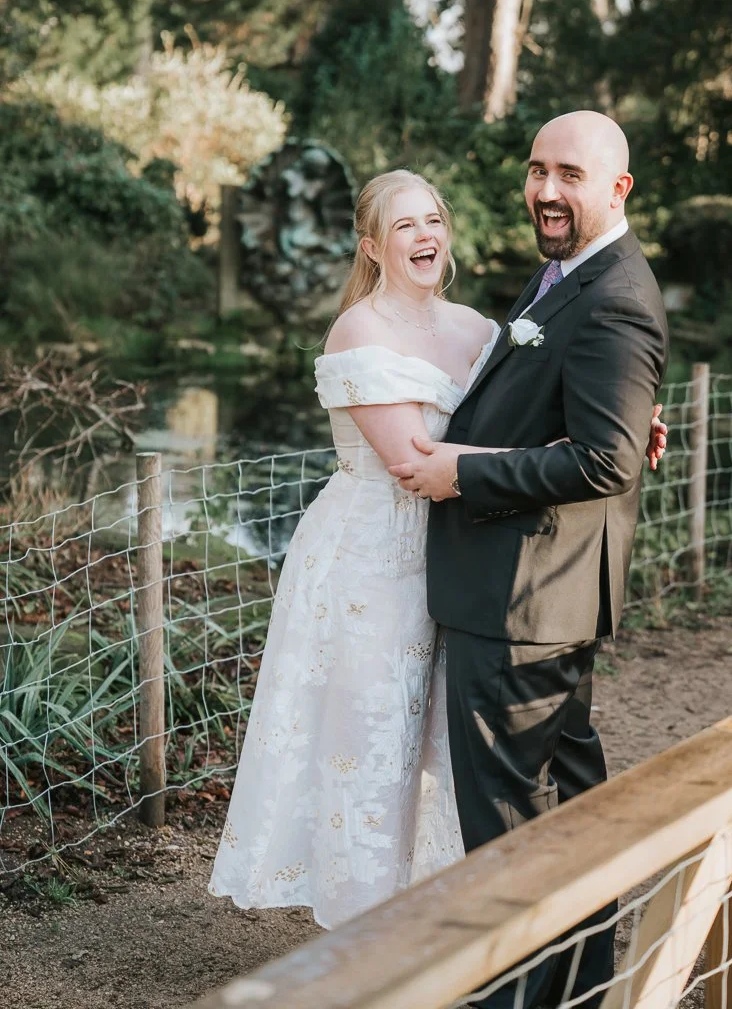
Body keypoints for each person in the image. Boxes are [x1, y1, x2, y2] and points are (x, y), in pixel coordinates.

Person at [209, 161, 666, 933]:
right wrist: (585, 450)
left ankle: (433, 920)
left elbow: (524, 412)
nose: (425, 236)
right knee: (370, 744)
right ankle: (360, 931)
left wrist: (614, 429)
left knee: (441, 754)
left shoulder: (484, 328)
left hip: (461, 560)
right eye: (404, 226)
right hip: (371, 564)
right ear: (372, 246)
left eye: (433, 221)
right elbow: (415, 464)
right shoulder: (361, 330)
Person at [390, 111, 669, 1007]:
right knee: (567, 812)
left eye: (571, 175)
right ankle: (580, 989)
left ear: (617, 188)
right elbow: (594, 428)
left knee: (507, 832)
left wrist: (459, 472)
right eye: (538, 170)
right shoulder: (568, 275)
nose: (547, 190)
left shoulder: (614, 292)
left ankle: (516, 998)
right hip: (539, 597)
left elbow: (604, 460)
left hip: (520, 604)